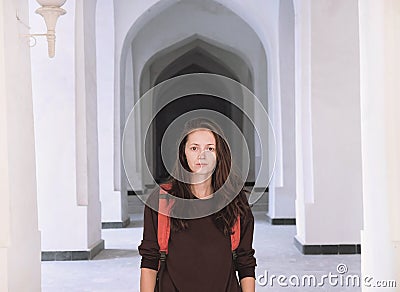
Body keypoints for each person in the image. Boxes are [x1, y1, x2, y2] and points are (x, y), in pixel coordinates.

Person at [138, 117, 256, 292]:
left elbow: (245, 262)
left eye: (210, 148)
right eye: (194, 148)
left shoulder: (236, 202)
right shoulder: (161, 200)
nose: (202, 155)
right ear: (184, 153)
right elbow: (149, 260)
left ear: (219, 154)